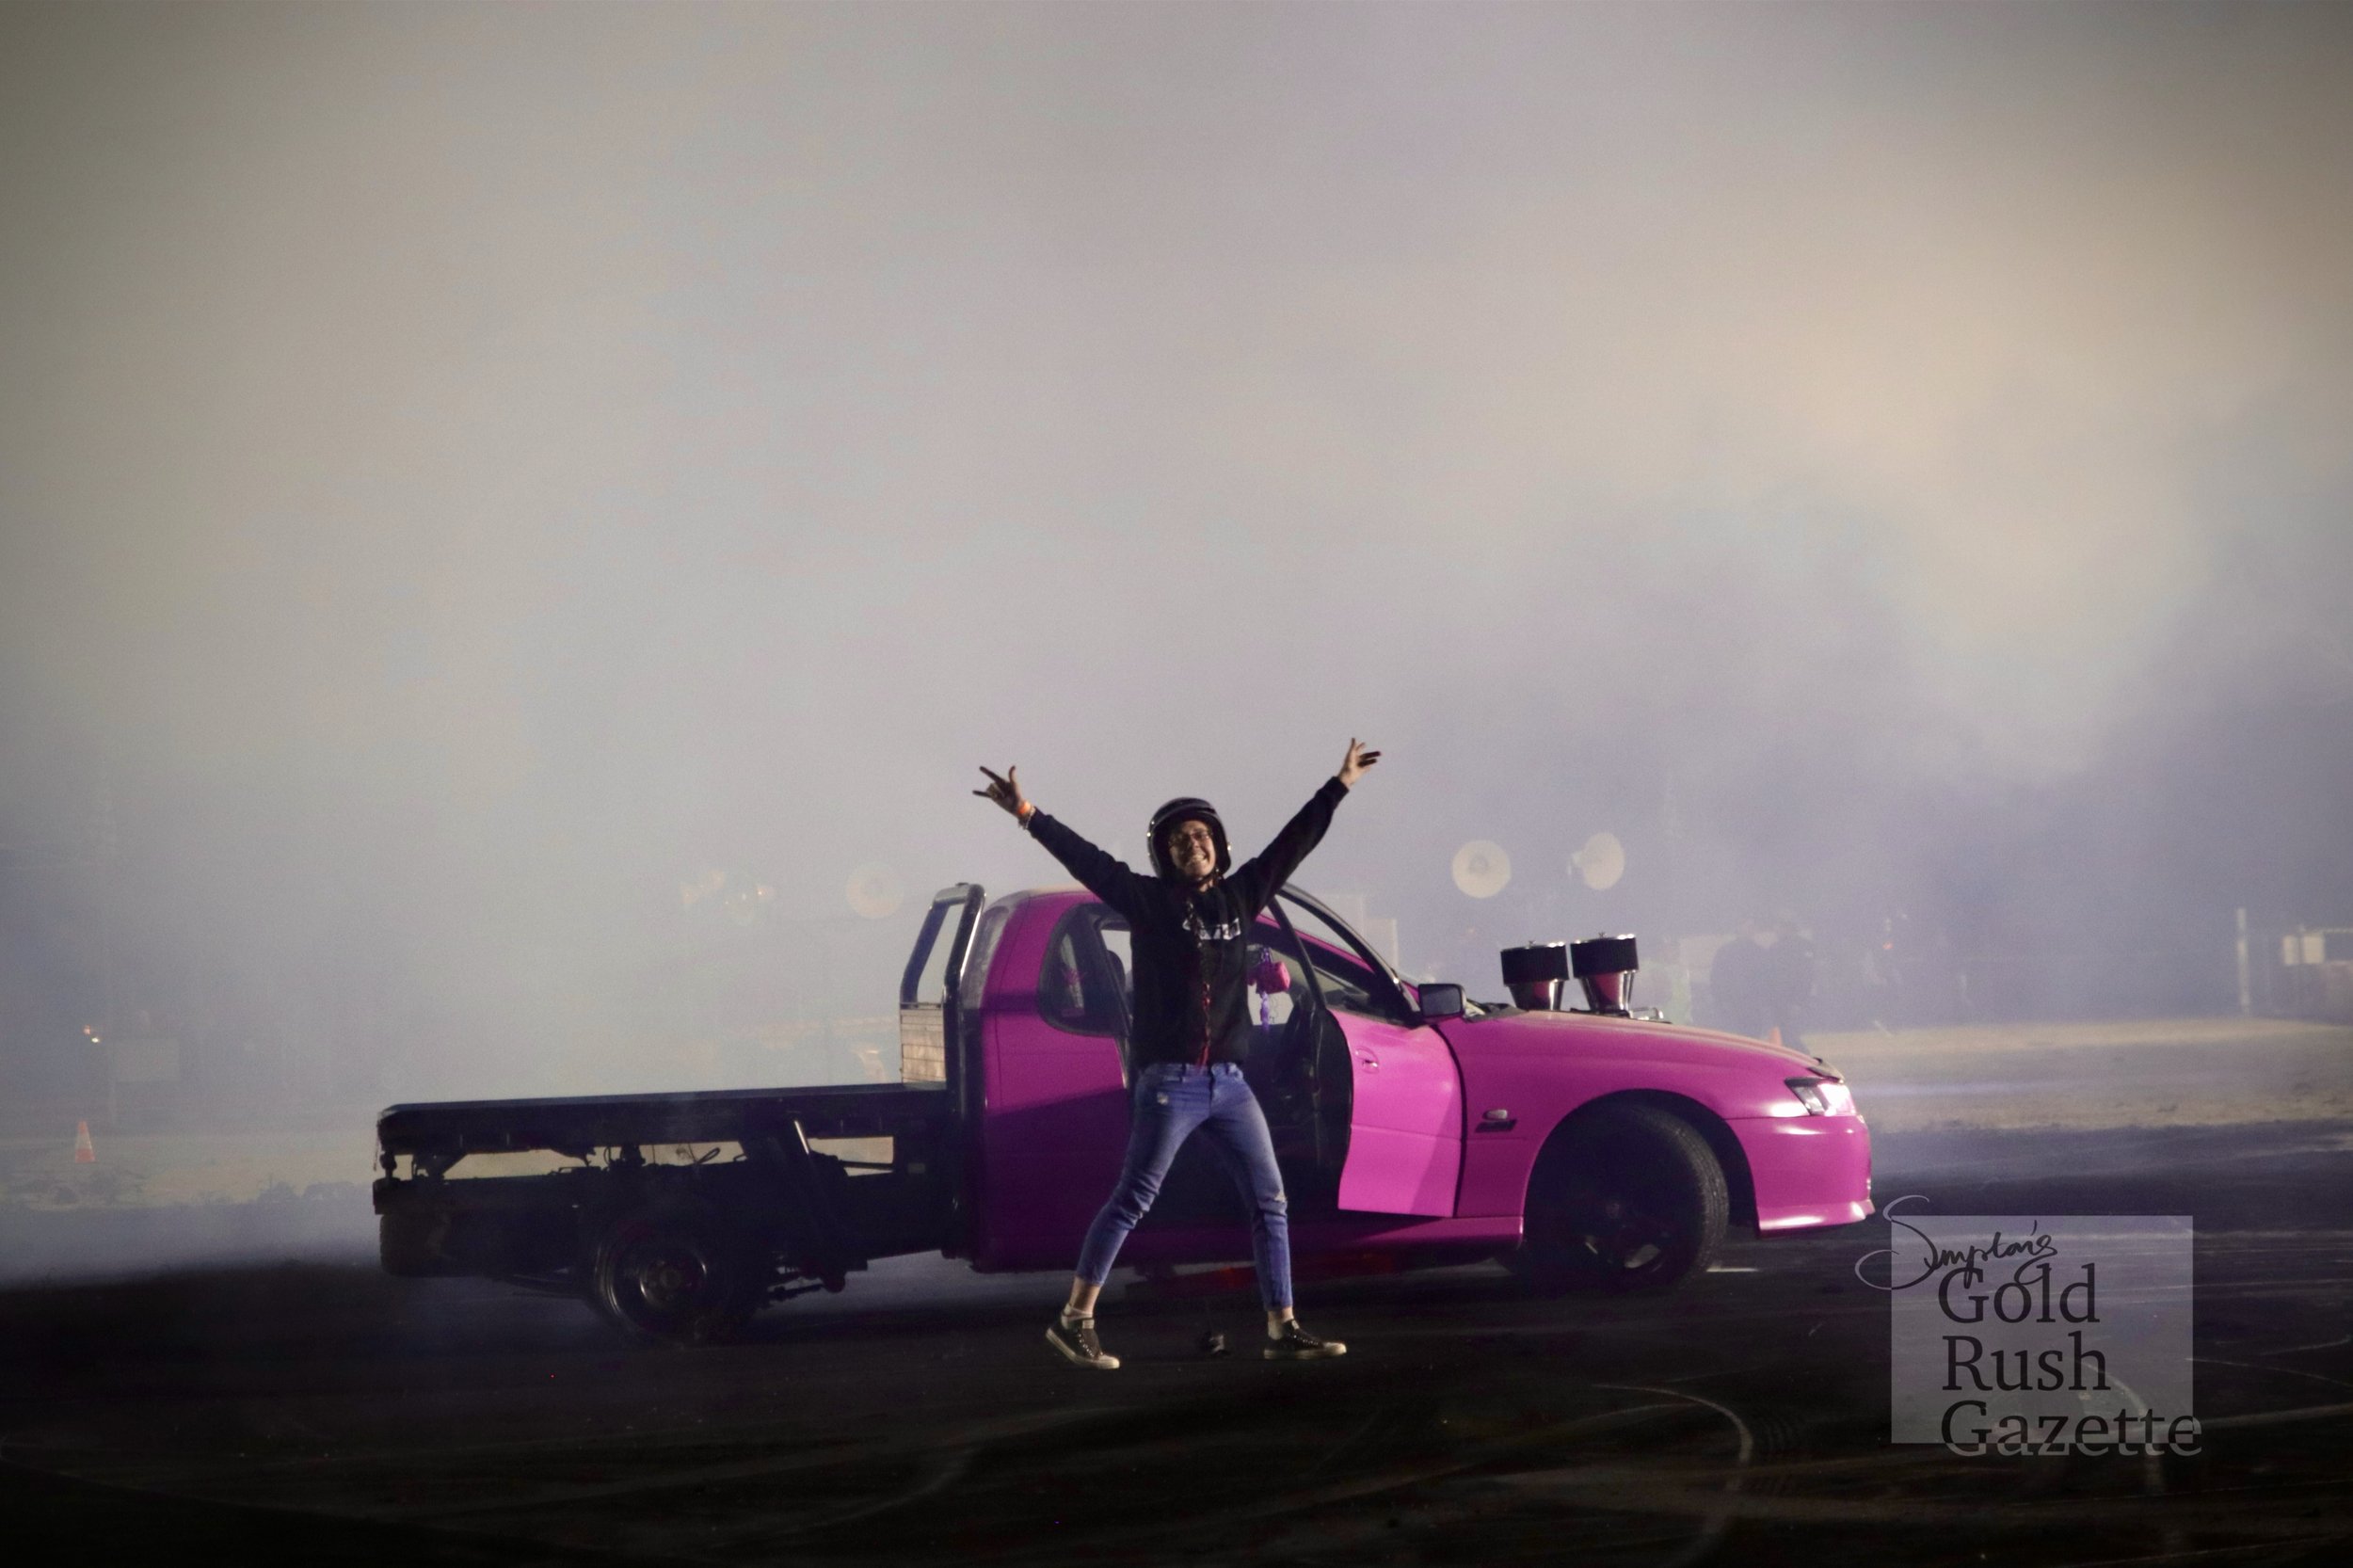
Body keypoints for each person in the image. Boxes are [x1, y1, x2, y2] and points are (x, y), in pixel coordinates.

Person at [974, 740, 1380, 1369]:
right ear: (1164, 856)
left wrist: (1340, 784)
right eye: (1179, 841)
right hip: (1172, 1084)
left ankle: (1282, 1325)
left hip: (1230, 1085)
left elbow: (1292, 843)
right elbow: (1090, 862)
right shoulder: (1150, 903)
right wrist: (1028, 814)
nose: (1193, 846)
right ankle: (1073, 1319)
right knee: (1135, 1198)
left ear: (1218, 844)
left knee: (1270, 1200)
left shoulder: (1242, 896)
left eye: (1201, 836)